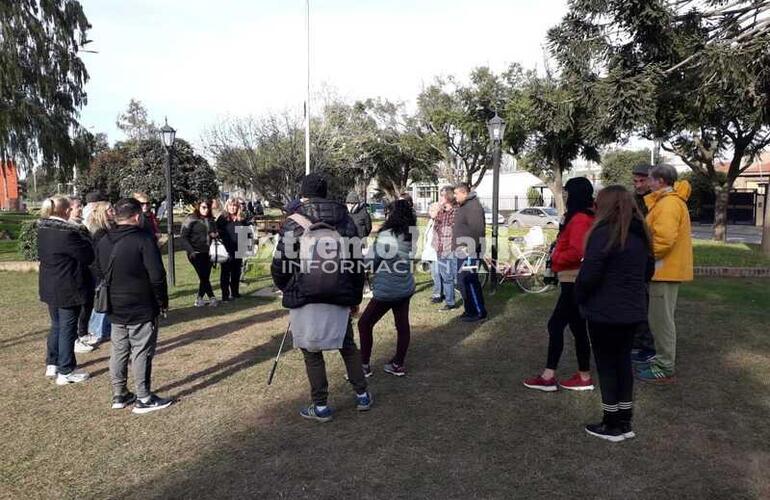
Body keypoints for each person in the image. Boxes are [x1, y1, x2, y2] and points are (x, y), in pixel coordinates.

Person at [271, 173, 372, 423]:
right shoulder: (346, 221)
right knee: (347, 345)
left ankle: (321, 406)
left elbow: (281, 263)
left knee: (311, 350)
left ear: (303, 194)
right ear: (326, 193)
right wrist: (355, 296)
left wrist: (287, 287)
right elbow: (356, 264)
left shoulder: (293, 223)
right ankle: (362, 395)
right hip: (339, 294)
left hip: (304, 294)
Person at [575, 185, 655, 442]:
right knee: (622, 364)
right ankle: (624, 420)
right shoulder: (640, 233)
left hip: (604, 311)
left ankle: (611, 423)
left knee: (607, 366)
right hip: (631, 310)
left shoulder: (602, 233)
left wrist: (580, 297)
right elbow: (648, 272)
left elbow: (589, 275)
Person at [95, 198, 172, 413]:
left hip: (115, 304)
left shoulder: (103, 240)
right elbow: (157, 276)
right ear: (137, 216)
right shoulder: (143, 240)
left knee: (119, 349)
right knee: (141, 350)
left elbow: (97, 269)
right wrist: (162, 301)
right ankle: (144, 397)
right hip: (141, 303)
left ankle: (119, 393)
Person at [523, 177, 595, 392]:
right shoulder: (579, 216)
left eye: (567, 194)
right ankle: (583, 376)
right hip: (571, 279)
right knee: (578, 328)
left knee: (556, 325)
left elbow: (578, 251)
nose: (565, 197)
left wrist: (556, 259)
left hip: (573, 279)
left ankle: (548, 376)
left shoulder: (581, 218)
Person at [636, 165, 693, 383]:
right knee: (658, 318)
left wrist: (646, 257)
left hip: (664, 270)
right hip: (664, 270)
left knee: (661, 320)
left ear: (660, 181)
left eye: (649, 179)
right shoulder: (667, 202)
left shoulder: (668, 204)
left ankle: (664, 365)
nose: (647, 183)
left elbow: (664, 240)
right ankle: (660, 358)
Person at [37, 195, 94, 384]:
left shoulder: (43, 229)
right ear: (66, 211)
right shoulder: (68, 234)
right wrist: (84, 234)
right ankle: (66, 370)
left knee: (57, 325)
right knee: (68, 327)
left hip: (50, 284)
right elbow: (88, 255)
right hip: (68, 286)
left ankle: (52, 363)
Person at [358, 199, 416, 377]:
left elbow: (371, 262)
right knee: (402, 326)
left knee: (364, 324)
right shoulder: (411, 233)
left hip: (387, 289)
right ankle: (398, 363)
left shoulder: (386, 236)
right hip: (404, 286)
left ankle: (364, 366)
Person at [630, 163, 657, 364]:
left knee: (647, 304)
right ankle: (637, 342)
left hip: (650, 258)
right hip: (635, 256)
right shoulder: (632, 199)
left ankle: (648, 345)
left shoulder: (657, 200)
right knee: (636, 301)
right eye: (635, 181)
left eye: (642, 180)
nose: (638, 185)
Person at [81, 201, 115, 347]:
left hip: (103, 268)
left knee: (105, 300)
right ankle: (96, 330)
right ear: (102, 212)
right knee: (101, 300)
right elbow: (99, 253)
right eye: (109, 210)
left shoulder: (106, 228)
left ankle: (104, 329)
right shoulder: (99, 231)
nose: (113, 212)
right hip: (100, 269)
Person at [452, 183, 487, 322]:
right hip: (462, 251)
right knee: (462, 281)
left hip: (470, 251)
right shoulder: (465, 206)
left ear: (464, 193)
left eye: (456, 193)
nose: (454, 196)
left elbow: (478, 231)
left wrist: (469, 248)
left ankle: (479, 312)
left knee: (470, 280)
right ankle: (469, 309)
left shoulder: (473, 207)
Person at [68, 196, 97, 354]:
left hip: (88, 270)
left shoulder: (81, 226)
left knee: (88, 303)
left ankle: (83, 333)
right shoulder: (70, 228)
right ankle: (76, 337)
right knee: (79, 306)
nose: (80, 209)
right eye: (77, 206)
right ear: (69, 209)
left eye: (81, 206)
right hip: (77, 272)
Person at [180, 199, 219, 307]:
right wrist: (190, 250)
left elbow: (216, 232)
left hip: (208, 252)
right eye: (203, 207)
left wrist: (214, 234)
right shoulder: (191, 219)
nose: (206, 210)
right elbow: (183, 237)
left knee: (205, 276)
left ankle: (199, 299)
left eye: (208, 207)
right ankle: (212, 298)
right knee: (203, 276)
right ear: (198, 207)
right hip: (195, 252)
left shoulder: (211, 220)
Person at [431, 186, 458, 311]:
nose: (440, 198)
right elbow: (434, 222)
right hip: (440, 248)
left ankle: (455, 301)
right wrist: (436, 211)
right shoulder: (440, 211)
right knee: (445, 276)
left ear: (448, 197)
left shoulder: (456, 211)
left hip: (450, 248)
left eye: (442, 195)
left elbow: (454, 229)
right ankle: (450, 302)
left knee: (452, 276)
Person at [216, 198, 246, 301]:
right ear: (227, 206)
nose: (233, 208)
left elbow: (246, 233)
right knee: (225, 272)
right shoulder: (222, 218)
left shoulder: (241, 218)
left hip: (239, 249)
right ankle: (225, 295)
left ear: (238, 207)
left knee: (236, 272)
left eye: (235, 206)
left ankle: (235, 293)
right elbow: (217, 232)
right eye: (231, 205)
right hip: (226, 249)